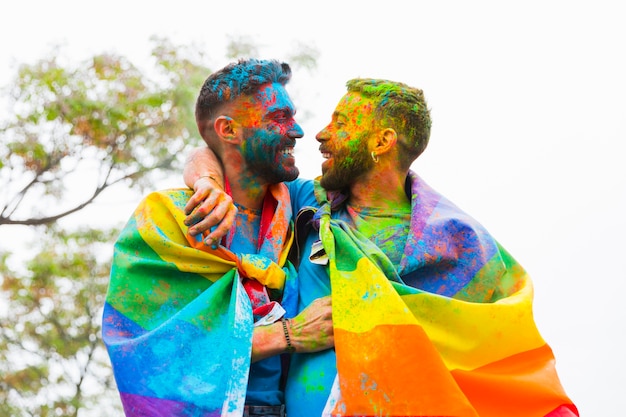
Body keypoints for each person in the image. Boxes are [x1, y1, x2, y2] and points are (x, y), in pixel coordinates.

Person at [183, 78, 579, 417]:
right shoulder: (306, 205)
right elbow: (214, 151)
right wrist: (207, 184)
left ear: (383, 140)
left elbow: (503, 356)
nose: (320, 135)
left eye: (338, 123)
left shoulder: (459, 242)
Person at [102, 58, 334, 417]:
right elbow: (145, 357)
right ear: (228, 130)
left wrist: (205, 175)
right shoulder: (165, 218)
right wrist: (286, 336)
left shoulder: (302, 207)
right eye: (279, 118)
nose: (298, 130)